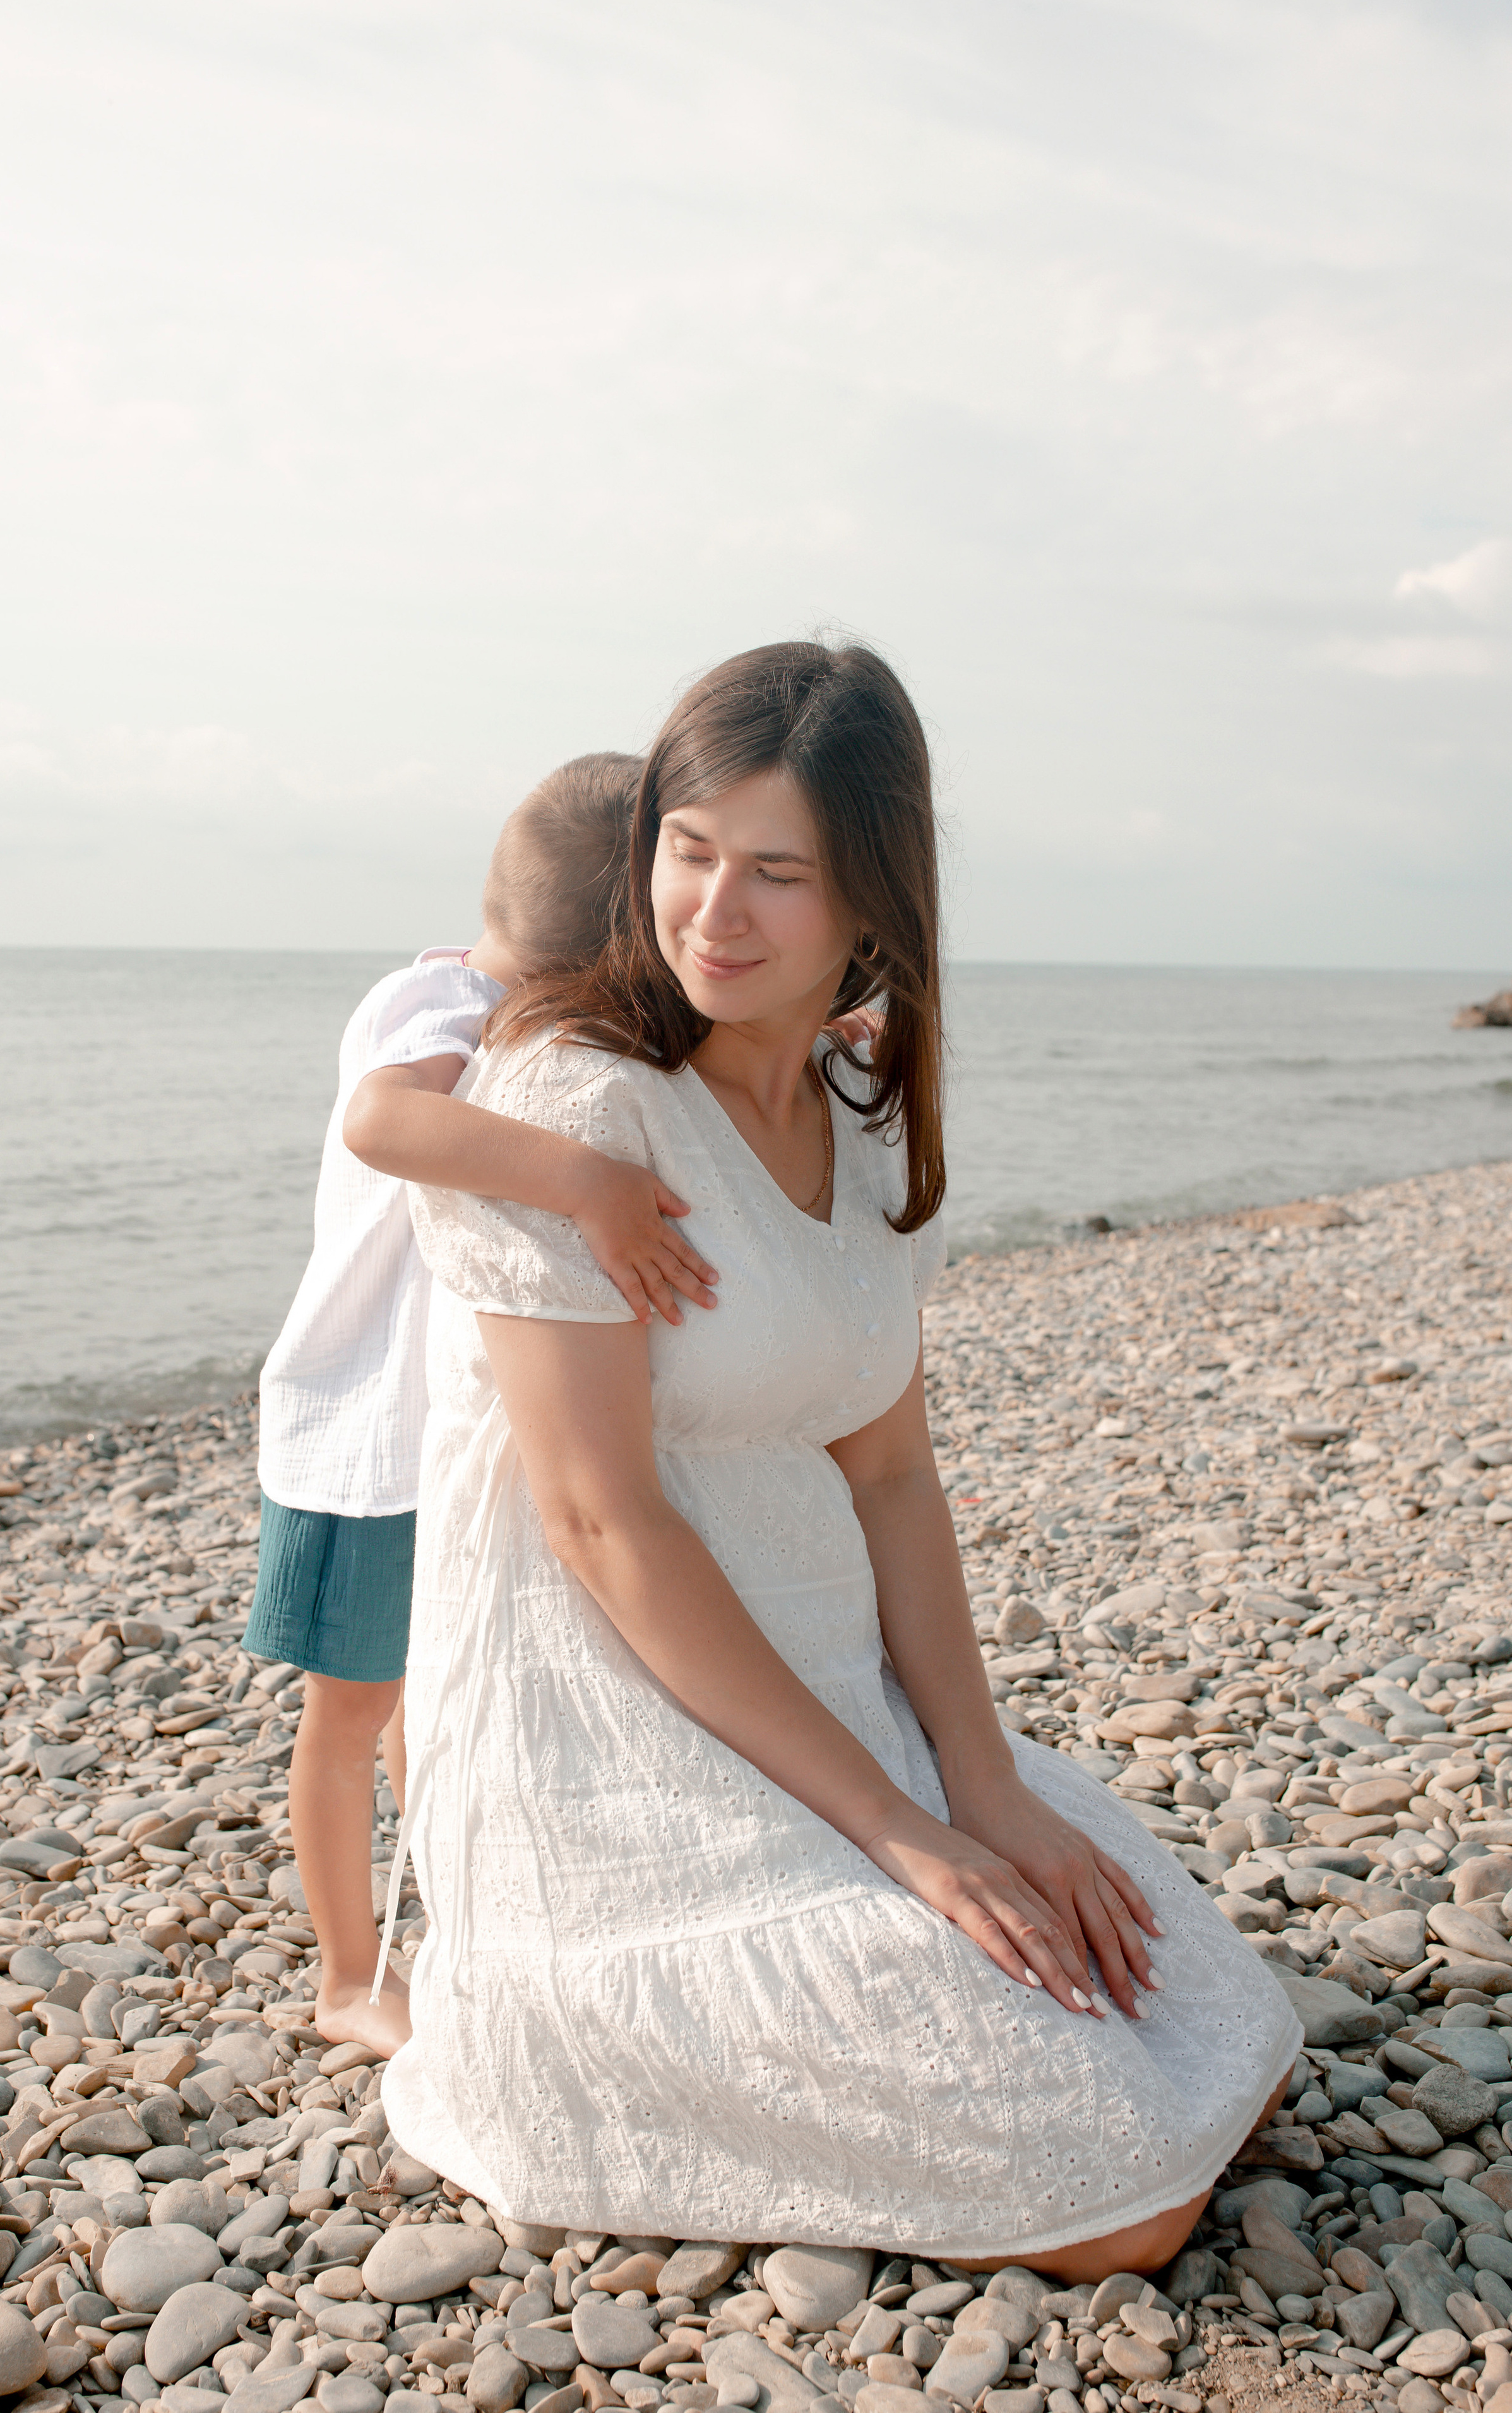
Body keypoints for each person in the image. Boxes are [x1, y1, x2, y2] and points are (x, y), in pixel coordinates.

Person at [379, 644, 1298, 2270]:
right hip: (612, 1725)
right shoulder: (576, 1110)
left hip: (826, 1677)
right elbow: (598, 1522)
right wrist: (896, 1828)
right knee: (1124, 2199)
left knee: (1226, 2040)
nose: (712, 913)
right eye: (687, 850)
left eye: (777, 872)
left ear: (872, 894)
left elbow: (887, 1473)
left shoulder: (857, 1100)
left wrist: (979, 1779)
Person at [246, 753, 717, 2057]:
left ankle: (451, 1925)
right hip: (363, 1436)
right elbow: (383, 1125)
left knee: (432, 1700)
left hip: (441, 1438)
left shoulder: (529, 1023)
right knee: (352, 1714)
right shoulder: (438, 1000)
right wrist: (586, 1182)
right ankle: (347, 1975)